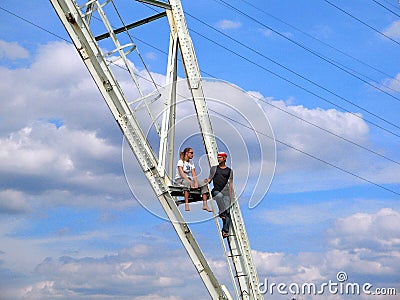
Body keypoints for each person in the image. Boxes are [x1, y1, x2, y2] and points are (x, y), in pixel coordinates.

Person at [174, 147, 212, 212]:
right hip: (180, 180)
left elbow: (194, 173)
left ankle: (205, 205)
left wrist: (196, 182)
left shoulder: (191, 162)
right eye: (191, 153)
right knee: (187, 183)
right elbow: (181, 173)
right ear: (186, 153)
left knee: (204, 184)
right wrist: (190, 181)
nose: (192, 155)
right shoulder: (181, 162)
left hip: (188, 179)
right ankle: (186, 204)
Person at [205, 152, 233, 238]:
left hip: (226, 192)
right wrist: (207, 181)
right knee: (219, 196)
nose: (218, 159)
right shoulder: (214, 169)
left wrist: (231, 196)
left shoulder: (229, 171)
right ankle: (221, 211)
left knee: (227, 212)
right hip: (216, 191)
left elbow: (231, 184)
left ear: (224, 158)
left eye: (220, 157)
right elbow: (210, 178)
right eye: (218, 157)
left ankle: (225, 230)